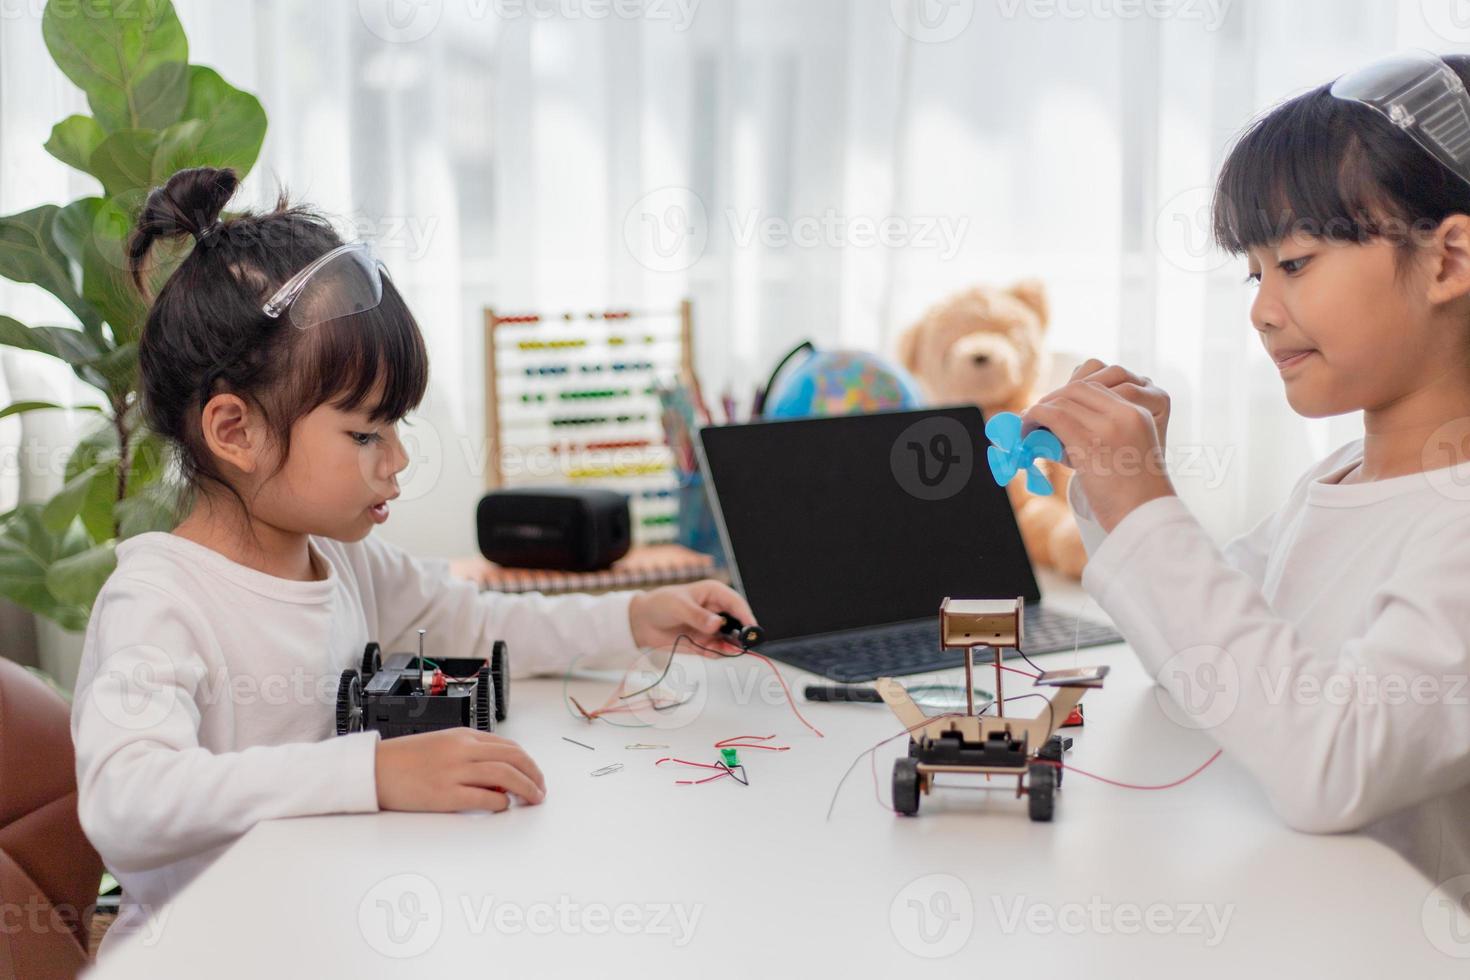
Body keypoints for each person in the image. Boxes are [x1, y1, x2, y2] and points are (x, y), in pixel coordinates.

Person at [71, 166, 753, 954]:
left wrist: (632, 617)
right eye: (365, 433)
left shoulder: (340, 559)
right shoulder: (160, 599)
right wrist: (374, 773)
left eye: (396, 426)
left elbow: (477, 620)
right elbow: (126, 800)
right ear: (235, 431)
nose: (397, 459)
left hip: (326, 926)